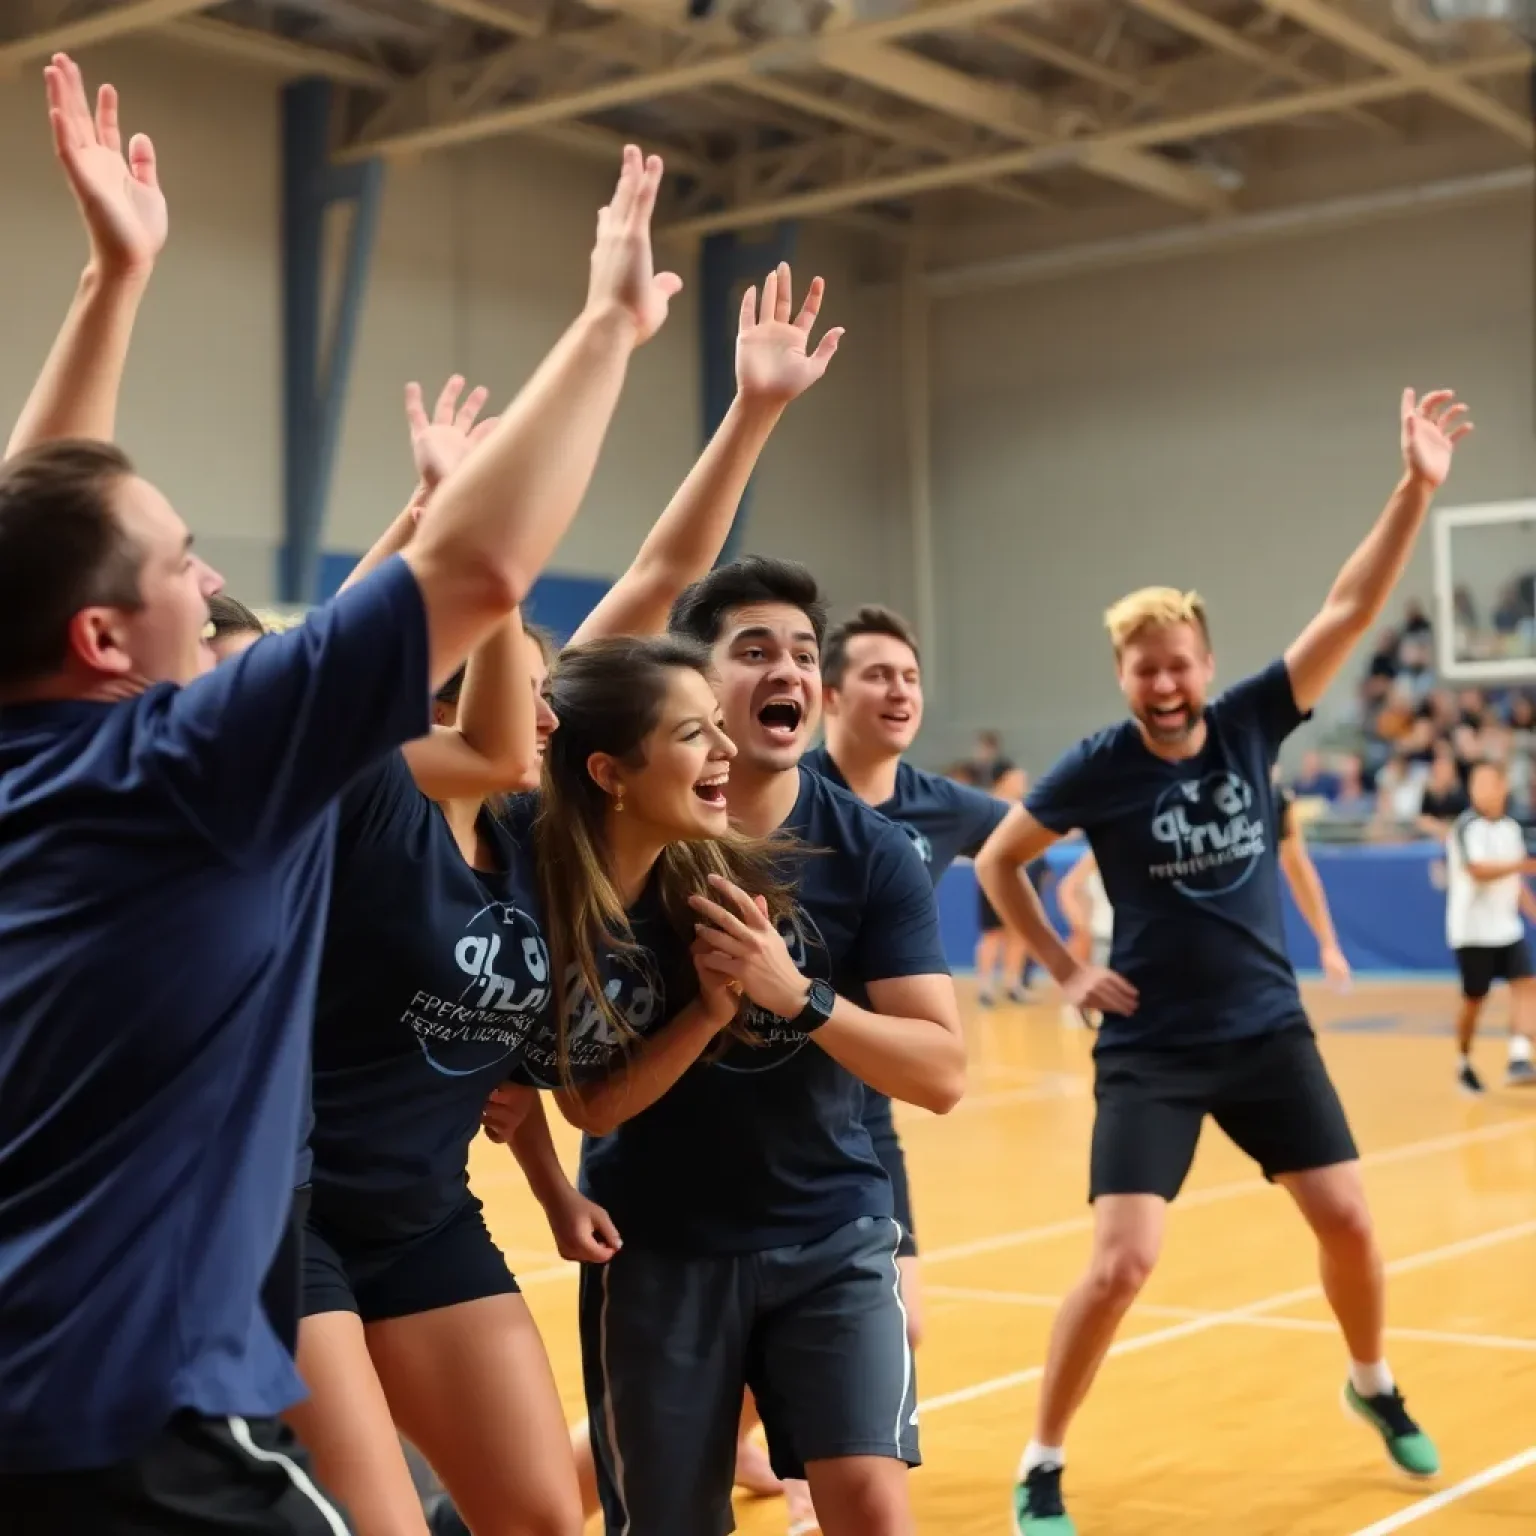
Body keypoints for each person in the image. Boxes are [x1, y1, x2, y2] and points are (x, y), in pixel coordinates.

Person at [0, 50, 680, 1536]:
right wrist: (610, 327)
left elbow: (28, 543)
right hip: (132, 1417)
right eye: (188, 564)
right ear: (106, 642)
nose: (216, 579)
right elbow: (485, 572)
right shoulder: (187, 771)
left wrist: (114, 281)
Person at [302, 268, 842, 1536]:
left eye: (553, 695)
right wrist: (454, 524)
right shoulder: (386, 806)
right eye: (525, 690)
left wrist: (754, 411)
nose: (539, 708)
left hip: (426, 1218)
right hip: (295, 1215)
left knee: (547, 1516)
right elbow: (329, 670)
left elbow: (663, 575)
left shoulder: (554, 845)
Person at [976, 387, 1472, 1535]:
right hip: (1152, 1046)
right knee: (1121, 1263)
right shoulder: (1097, 768)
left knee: (1348, 1220)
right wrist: (1062, 968)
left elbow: (1351, 608)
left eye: (1180, 664)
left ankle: (1372, 1382)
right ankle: (1042, 1458)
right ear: (1122, 674)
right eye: (1144, 669)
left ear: (1207, 663)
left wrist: (1415, 488)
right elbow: (1003, 864)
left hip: (1266, 1031)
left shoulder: (1254, 720)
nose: (1165, 683)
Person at [571, 557, 964, 1536]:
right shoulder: (625, 842)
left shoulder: (870, 854)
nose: (786, 669)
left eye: (801, 653)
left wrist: (801, 997)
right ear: (696, 688)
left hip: (832, 1233)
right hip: (659, 1244)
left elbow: (942, 1071)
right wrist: (708, 1008)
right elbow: (590, 1099)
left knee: (873, 1507)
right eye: (753, 651)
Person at [787, 601, 1008, 1531]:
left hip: (867, 1100)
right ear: (829, 694)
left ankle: (812, 1469)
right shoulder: (777, 789)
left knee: (898, 1320)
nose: (899, 690)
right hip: (769, 1097)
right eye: (878, 674)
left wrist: (1070, 958)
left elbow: (1027, 847)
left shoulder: (940, 807)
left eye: (911, 677)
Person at [1443, 760, 1536, 1092]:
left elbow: (1516, 881)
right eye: (1476, 784)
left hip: (1506, 928)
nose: (1481, 790)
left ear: (1502, 787)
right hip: (1472, 931)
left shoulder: (1510, 828)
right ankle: (1464, 1061)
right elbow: (1478, 870)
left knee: (1527, 984)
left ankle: (1519, 1057)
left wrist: (1532, 912)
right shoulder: (1466, 827)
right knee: (1474, 1000)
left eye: (1488, 783)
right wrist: (1521, 864)